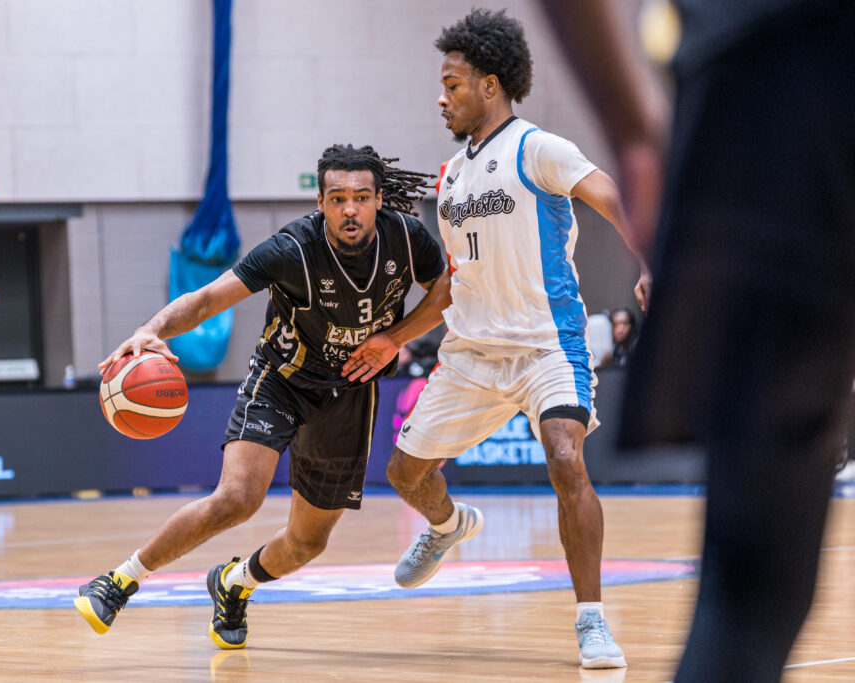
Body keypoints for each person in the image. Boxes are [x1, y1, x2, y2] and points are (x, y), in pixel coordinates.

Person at [541, 0, 855, 680]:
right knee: (756, 582)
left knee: (753, 588)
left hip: (768, 90)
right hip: (780, 80)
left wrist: (632, 132)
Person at [341, 9, 649, 669]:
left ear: (489, 84)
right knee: (404, 472)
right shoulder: (451, 177)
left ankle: (592, 621)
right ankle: (448, 526)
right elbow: (453, 286)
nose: (441, 97)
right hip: (472, 355)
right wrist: (395, 337)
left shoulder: (538, 148)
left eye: (451, 84)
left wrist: (650, 261)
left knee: (565, 458)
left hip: (546, 345)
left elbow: (611, 194)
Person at [74, 144, 449, 649]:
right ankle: (119, 580)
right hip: (281, 380)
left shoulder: (407, 238)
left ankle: (234, 583)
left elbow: (448, 289)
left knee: (307, 543)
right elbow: (206, 299)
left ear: (379, 200)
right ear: (320, 202)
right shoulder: (291, 249)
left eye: (361, 197)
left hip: (349, 394)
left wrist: (395, 338)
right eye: (337, 198)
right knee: (237, 499)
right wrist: (151, 329)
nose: (350, 209)